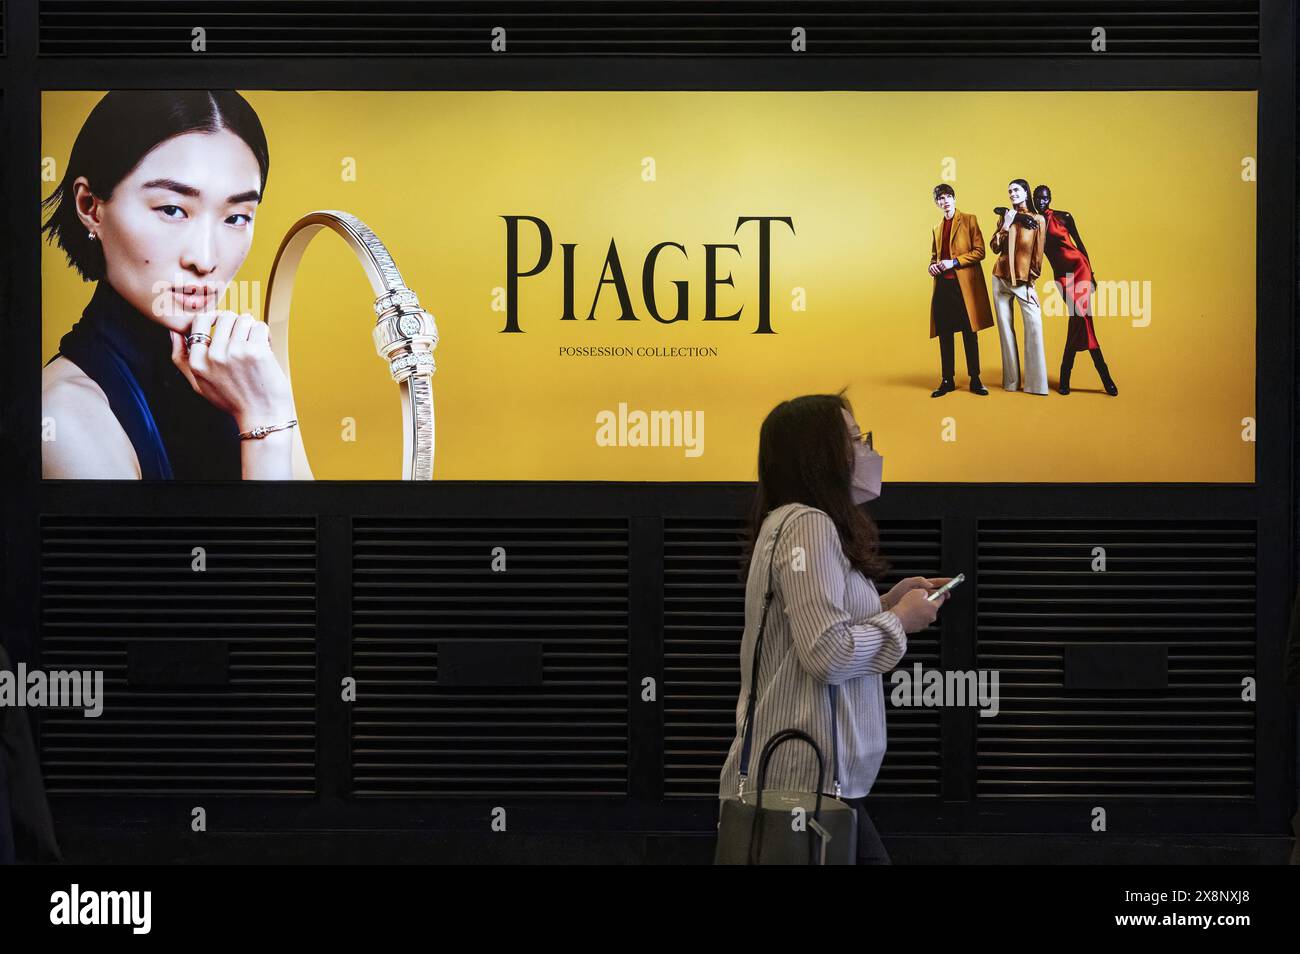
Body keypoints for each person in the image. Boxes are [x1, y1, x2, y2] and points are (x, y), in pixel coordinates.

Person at [717, 390, 950, 863]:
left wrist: (887, 602)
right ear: (820, 455)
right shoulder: (809, 525)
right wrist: (900, 620)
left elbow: (818, 627)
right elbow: (828, 653)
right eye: (853, 439)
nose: (866, 449)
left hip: (804, 778)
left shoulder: (788, 522)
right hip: (804, 781)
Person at [40, 90, 305, 480]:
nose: (205, 259)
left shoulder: (243, 378)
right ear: (89, 206)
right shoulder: (62, 417)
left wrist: (264, 411)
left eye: (236, 217)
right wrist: (265, 428)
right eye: (172, 210)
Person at [1032, 184, 1118, 396]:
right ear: (1033, 200)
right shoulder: (1033, 223)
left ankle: (1066, 379)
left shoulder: (1064, 217)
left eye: (1045, 198)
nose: (1041, 202)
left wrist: (1093, 276)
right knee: (1080, 318)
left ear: (1050, 198)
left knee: (1079, 316)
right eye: (1038, 199)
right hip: (1062, 276)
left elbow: (1080, 245)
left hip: (1080, 269)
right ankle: (1104, 378)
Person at [927, 184, 994, 398]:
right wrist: (932, 266)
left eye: (948, 197)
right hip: (943, 288)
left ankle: (975, 379)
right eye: (940, 198)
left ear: (954, 199)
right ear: (937, 203)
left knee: (969, 333)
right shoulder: (936, 228)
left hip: (963, 287)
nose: (944, 201)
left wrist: (953, 262)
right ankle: (947, 380)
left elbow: (980, 251)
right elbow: (934, 256)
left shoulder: (969, 220)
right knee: (945, 335)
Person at [989, 178, 1048, 395]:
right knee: (1005, 331)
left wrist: (1032, 283)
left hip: (1023, 281)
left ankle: (1036, 384)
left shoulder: (1037, 220)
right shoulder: (1005, 217)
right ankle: (1011, 382)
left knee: (1034, 327)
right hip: (1000, 278)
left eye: (1016, 190)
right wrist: (1005, 224)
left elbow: (1038, 256)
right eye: (1009, 191)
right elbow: (995, 247)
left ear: (1026, 192)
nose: (1012, 194)